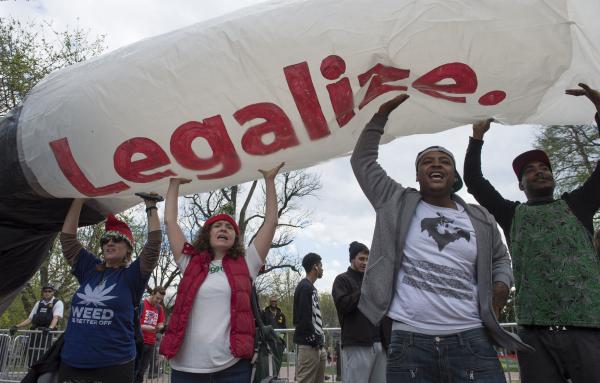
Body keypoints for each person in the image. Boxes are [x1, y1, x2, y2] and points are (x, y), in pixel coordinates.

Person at [351, 94, 531, 383]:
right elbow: (362, 161)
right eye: (427, 162)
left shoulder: (480, 217)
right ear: (418, 174)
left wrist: (500, 285)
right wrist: (381, 115)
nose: (436, 165)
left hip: (472, 337)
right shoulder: (394, 200)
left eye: (445, 161)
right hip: (410, 341)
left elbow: (500, 257)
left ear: (454, 175)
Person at [463, 82, 600, 383]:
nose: (539, 171)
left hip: (587, 328)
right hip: (534, 335)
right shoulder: (512, 214)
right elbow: (474, 181)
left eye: (544, 167)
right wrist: (477, 138)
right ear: (521, 185)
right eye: (530, 170)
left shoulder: (578, 204)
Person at [159, 163, 283, 382]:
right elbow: (170, 222)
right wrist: (174, 184)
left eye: (229, 227)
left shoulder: (247, 263)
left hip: (232, 368)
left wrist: (270, 181)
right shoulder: (189, 263)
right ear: (207, 235)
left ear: (236, 238)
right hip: (185, 368)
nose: (223, 229)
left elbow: (270, 223)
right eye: (217, 226)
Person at [58, 194, 162, 383]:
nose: (109, 243)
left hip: (114, 366)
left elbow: (153, 246)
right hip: (72, 363)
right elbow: (67, 239)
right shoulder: (89, 269)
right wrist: (78, 200)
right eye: (105, 240)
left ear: (128, 249)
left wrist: (150, 206)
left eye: (116, 239)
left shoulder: (132, 277)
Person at [332, 241, 385, 383]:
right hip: (357, 343)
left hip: (378, 343)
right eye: (361, 259)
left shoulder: (373, 280)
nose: (365, 262)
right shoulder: (342, 280)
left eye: (368, 259)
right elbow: (344, 305)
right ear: (352, 259)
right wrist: (364, 288)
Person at [10, 283, 64, 365]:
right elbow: (30, 319)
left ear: (53, 292)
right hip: (35, 332)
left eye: (50, 291)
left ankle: (40, 374)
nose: (47, 293)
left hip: (46, 333)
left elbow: (55, 317)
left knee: (43, 354)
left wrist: (50, 328)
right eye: (45, 291)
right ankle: (30, 371)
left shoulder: (58, 303)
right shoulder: (39, 303)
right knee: (32, 354)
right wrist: (17, 326)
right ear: (43, 292)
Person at [293, 252, 326, 383]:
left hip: (317, 344)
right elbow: (303, 318)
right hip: (309, 345)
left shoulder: (310, 288)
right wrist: (313, 339)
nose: (323, 269)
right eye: (321, 265)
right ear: (315, 267)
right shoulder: (305, 288)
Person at [134, 286, 166, 383]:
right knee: (134, 370)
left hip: (151, 343)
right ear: (152, 293)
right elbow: (135, 324)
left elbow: (160, 322)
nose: (158, 301)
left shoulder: (159, 308)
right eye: (157, 298)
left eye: (161, 299)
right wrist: (147, 328)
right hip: (139, 342)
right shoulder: (141, 304)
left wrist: (160, 327)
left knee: (142, 372)